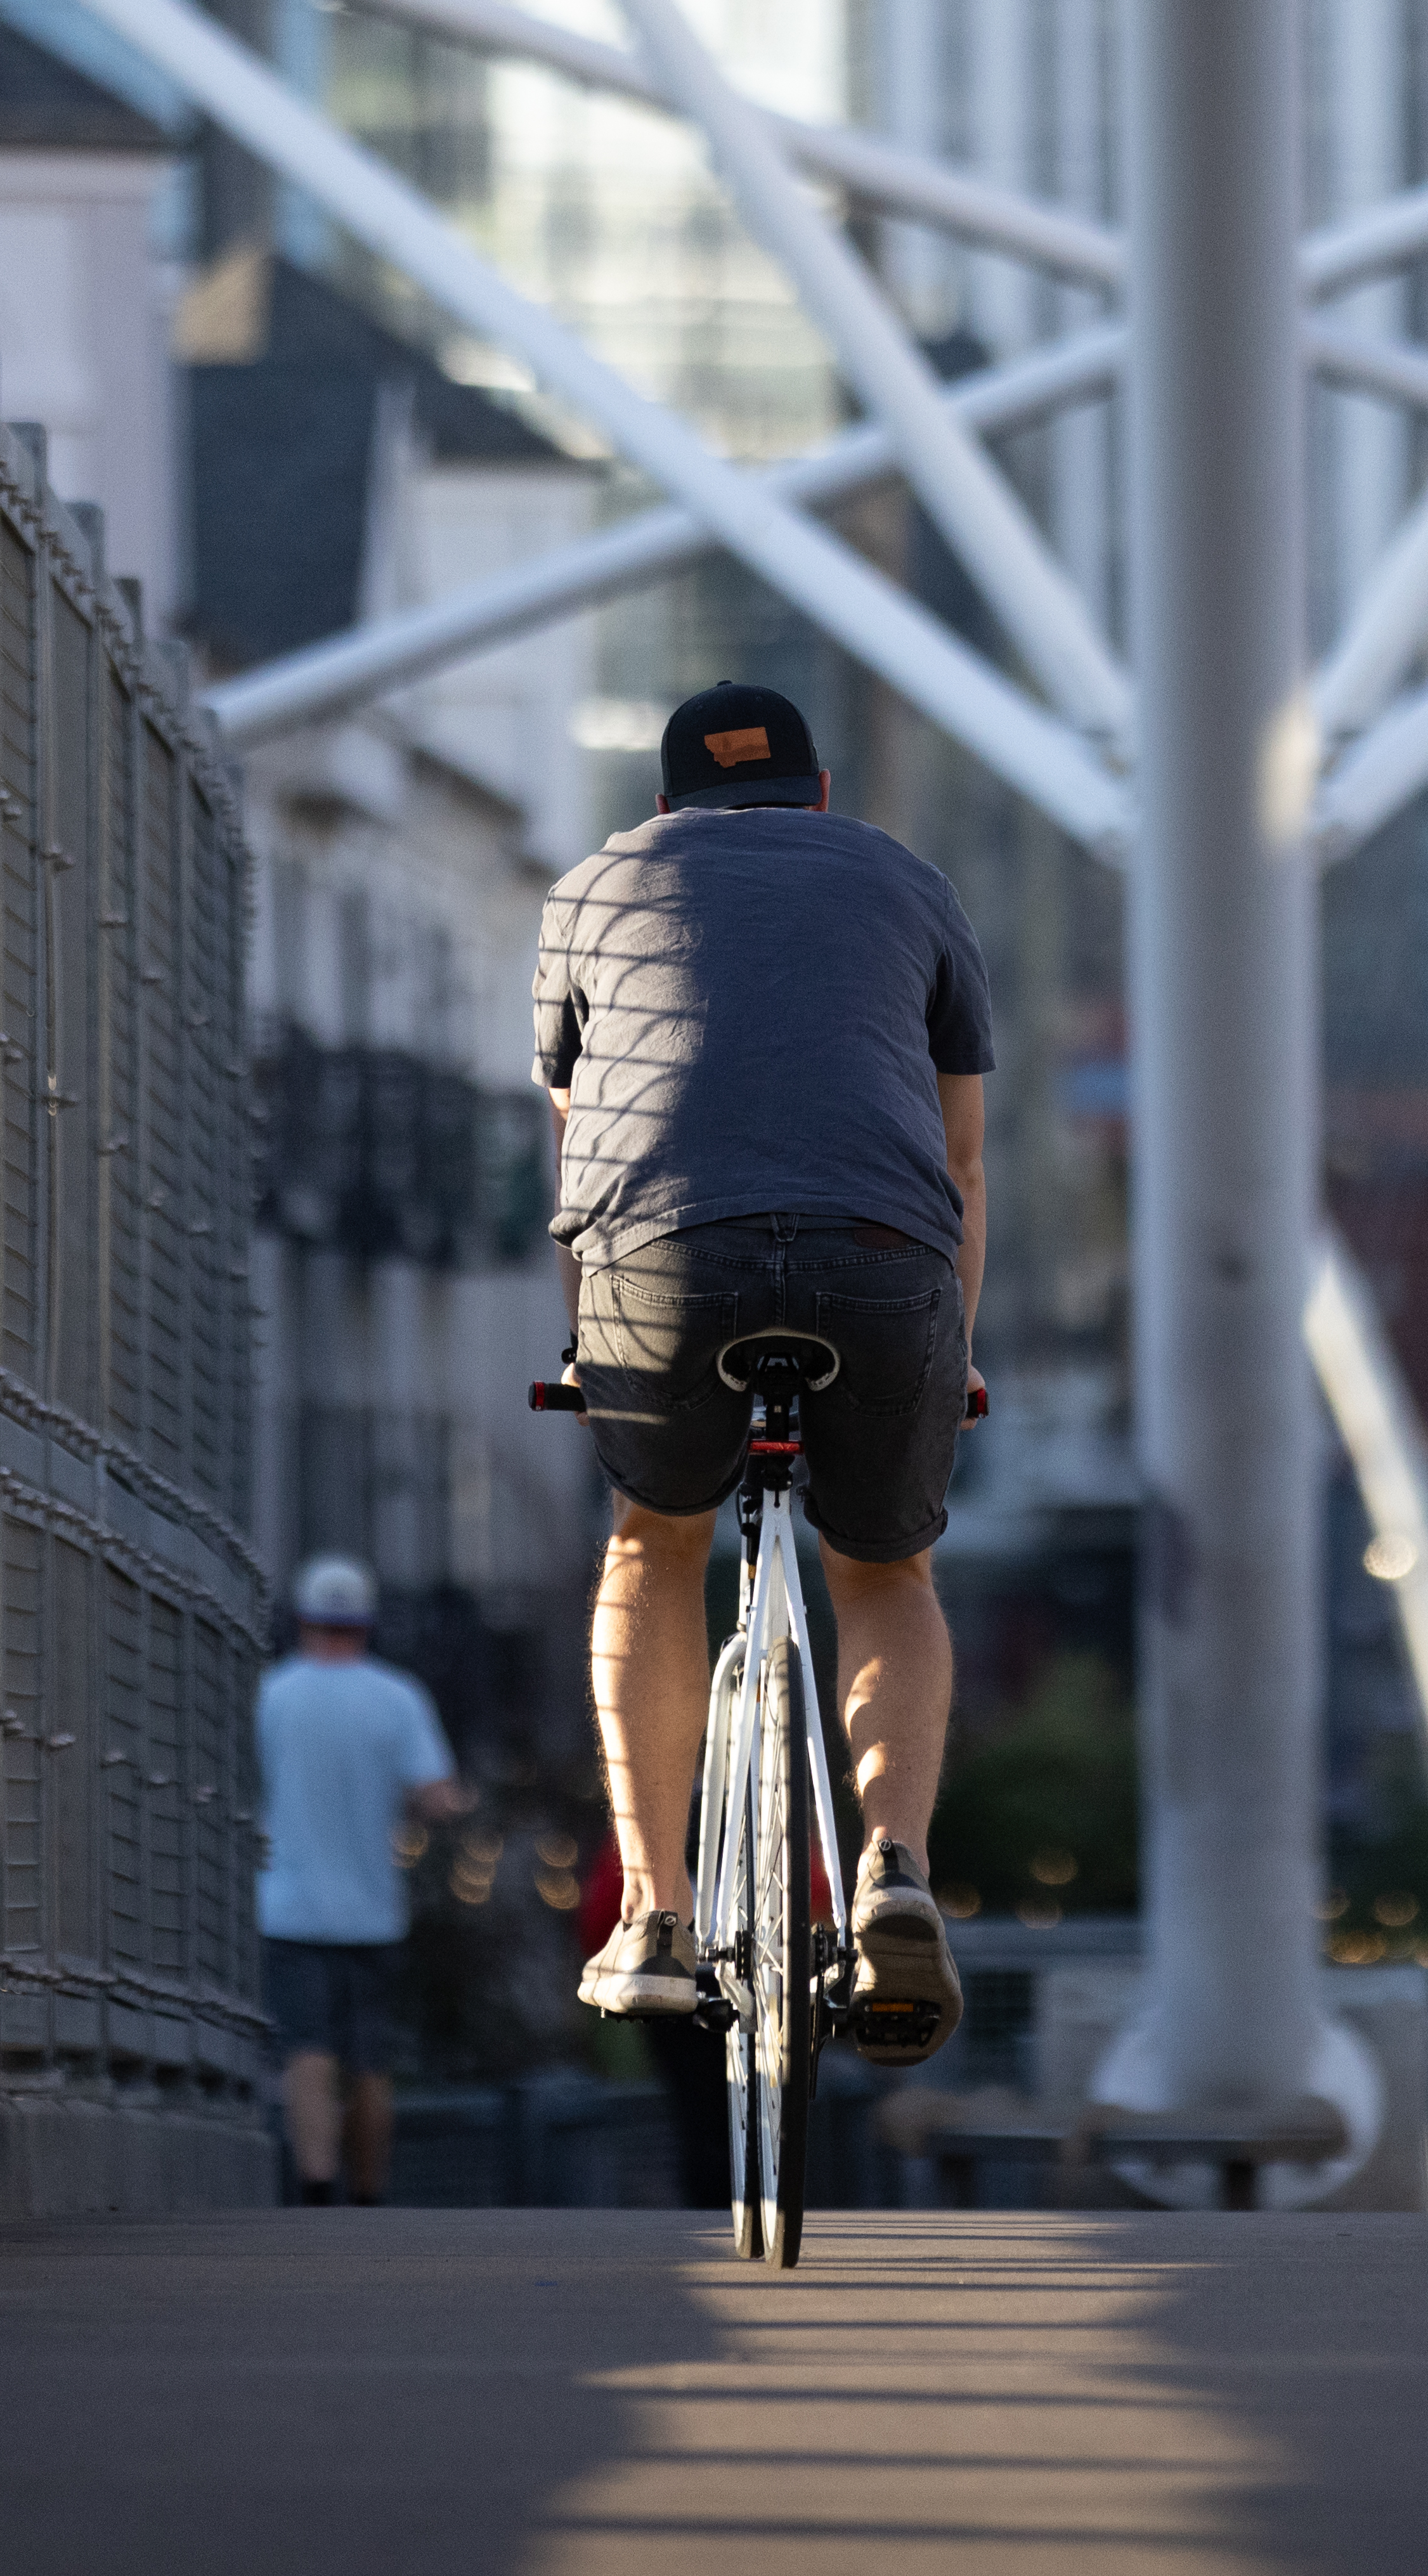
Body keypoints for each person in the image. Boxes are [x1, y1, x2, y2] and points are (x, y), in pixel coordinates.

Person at [537, 682, 989, 2071]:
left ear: (667, 802)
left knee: (651, 1541)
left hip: (664, 1257)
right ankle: (893, 1869)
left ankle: (658, 1917)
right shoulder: (908, 884)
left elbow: (583, 1138)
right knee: (885, 1569)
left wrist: (586, 1343)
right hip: (882, 1254)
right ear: (820, 792)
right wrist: (951, 1353)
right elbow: (963, 1160)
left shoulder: (595, 886)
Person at [252, 1554, 469, 2205]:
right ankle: (368, 2192)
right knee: (369, 2058)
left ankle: (316, 2181)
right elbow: (436, 1798)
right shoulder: (397, 1696)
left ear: (301, 1618)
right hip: (374, 1909)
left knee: (306, 2051)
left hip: (288, 1905)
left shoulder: (272, 1693)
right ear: (367, 1621)